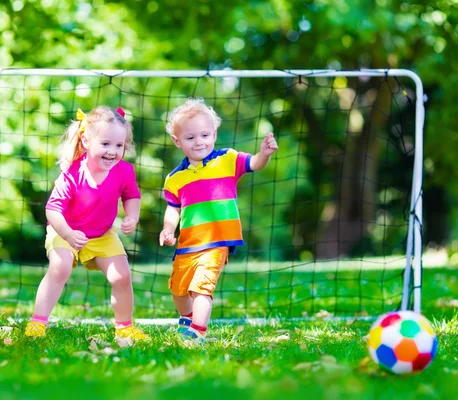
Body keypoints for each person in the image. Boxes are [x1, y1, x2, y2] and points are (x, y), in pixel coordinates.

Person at [159, 98, 278, 343]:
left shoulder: (228, 160)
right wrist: (168, 229)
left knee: (201, 287)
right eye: (190, 137)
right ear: (177, 141)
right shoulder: (174, 178)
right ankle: (187, 319)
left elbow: (255, 163)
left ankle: (197, 332)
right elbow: (173, 208)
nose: (199, 141)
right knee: (178, 289)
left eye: (204, 134)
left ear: (214, 134)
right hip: (187, 244)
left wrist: (264, 153)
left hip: (216, 242)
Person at [25, 106, 148, 344]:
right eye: (106, 144)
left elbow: (131, 196)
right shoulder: (72, 172)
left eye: (119, 145)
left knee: (122, 276)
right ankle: (37, 323)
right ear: (87, 140)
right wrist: (68, 234)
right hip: (66, 230)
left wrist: (132, 216)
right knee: (59, 268)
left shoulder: (124, 171)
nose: (113, 151)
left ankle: (125, 327)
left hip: (102, 234)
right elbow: (52, 209)